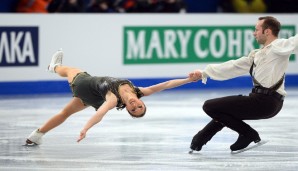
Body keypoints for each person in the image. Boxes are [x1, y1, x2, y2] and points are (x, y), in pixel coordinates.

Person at [26, 49, 199, 145]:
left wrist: (86, 128)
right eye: (140, 107)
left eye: (133, 110)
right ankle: (36, 135)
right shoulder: (140, 91)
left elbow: (100, 113)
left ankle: (54, 67)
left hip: (84, 85)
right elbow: (166, 85)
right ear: (141, 102)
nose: (135, 106)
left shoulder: (113, 99)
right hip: (93, 96)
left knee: (72, 71)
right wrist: (188, 80)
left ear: (129, 110)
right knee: (65, 113)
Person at [188, 16, 298, 152]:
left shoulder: (278, 46)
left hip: (266, 102)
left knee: (209, 106)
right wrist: (204, 73)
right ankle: (198, 141)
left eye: (257, 29)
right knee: (224, 111)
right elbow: (232, 66)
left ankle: (248, 134)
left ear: (267, 32)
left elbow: (295, 42)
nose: (254, 33)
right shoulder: (257, 55)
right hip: (264, 101)